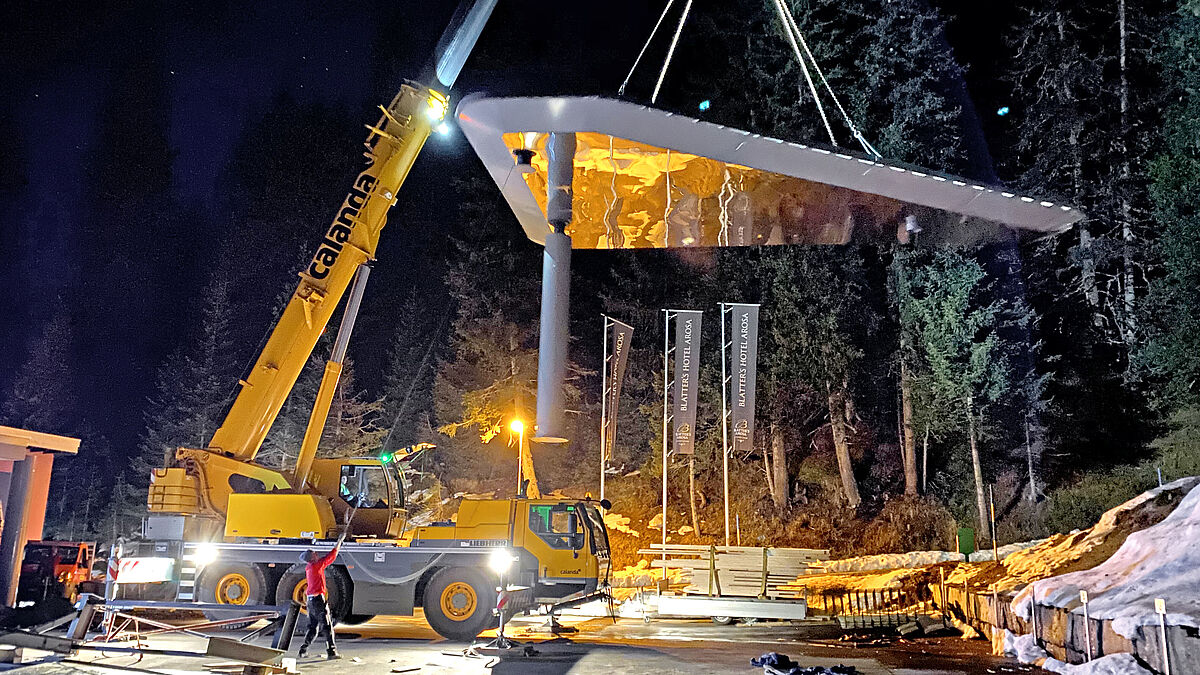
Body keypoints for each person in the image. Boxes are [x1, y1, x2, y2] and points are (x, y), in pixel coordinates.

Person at [297, 533, 344, 660]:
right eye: (315, 554)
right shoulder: (317, 566)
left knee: (313, 627)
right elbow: (331, 556)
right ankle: (332, 652)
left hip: (310, 602)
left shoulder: (309, 567)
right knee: (327, 626)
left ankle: (303, 650)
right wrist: (340, 541)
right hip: (318, 601)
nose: (317, 554)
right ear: (312, 558)